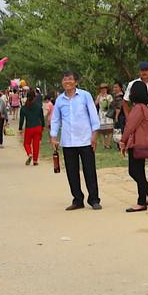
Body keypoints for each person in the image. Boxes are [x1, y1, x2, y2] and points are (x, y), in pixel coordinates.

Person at [51, 71, 102, 210]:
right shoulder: (59, 100)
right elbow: (55, 120)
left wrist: (95, 135)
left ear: (76, 82)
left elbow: (93, 115)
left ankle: (94, 199)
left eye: (70, 79)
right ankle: (77, 199)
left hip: (85, 140)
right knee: (71, 172)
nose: (67, 82)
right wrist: (53, 138)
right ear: (62, 82)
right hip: (68, 141)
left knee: (89, 171)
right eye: (65, 79)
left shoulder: (85, 96)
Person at [120, 81, 148, 212]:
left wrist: (123, 141)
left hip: (137, 143)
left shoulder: (138, 108)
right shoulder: (144, 107)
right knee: (138, 171)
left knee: (135, 172)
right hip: (143, 143)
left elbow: (129, 126)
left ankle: (142, 201)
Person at [19, 89, 46, 166]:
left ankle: (29, 153)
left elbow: (21, 119)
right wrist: (43, 126)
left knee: (26, 143)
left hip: (29, 127)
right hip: (38, 127)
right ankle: (35, 160)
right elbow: (41, 117)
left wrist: (20, 128)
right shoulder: (38, 106)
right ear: (35, 97)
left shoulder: (24, 108)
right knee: (36, 144)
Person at [95, 83, 116, 149]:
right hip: (101, 114)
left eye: (104, 88)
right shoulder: (99, 96)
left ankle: (109, 144)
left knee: (110, 130)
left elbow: (112, 105)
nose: (103, 90)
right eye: (101, 89)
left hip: (108, 114)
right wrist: (99, 96)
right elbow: (95, 103)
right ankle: (103, 144)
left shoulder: (109, 96)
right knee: (102, 130)